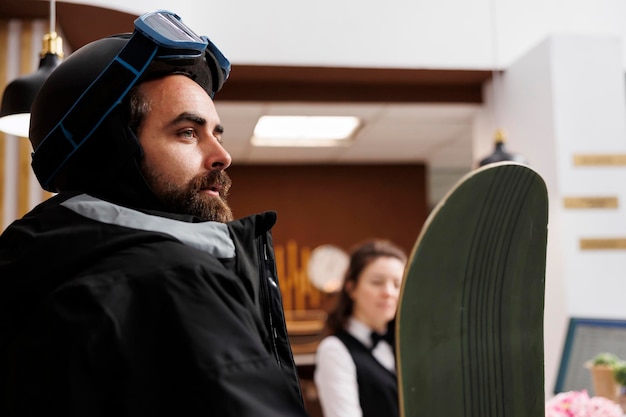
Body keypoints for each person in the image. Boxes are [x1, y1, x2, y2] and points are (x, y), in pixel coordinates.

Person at [0, 10, 308, 417]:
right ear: (113, 152)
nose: (222, 156)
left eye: (216, 133)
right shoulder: (173, 279)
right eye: (187, 132)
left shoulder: (37, 265)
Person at [314, 239, 407, 417]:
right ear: (351, 288)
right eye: (377, 282)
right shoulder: (334, 350)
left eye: (397, 284)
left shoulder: (404, 345)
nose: (389, 292)